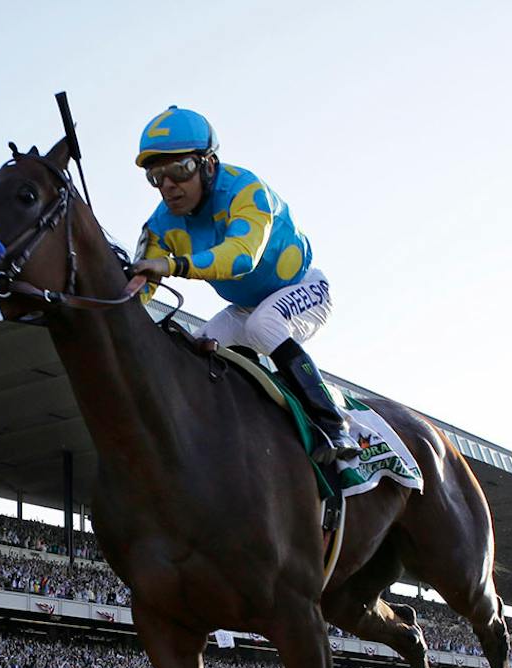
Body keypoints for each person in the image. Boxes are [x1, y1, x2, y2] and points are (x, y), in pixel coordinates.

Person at [128, 106, 361, 465]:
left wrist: (172, 265)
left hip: (303, 289)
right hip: (244, 308)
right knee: (194, 350)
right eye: (156, 177)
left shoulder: (246, 189)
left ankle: (332, 423)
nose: (168, 186)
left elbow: (241, 257)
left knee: (264, 325)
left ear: (208, 164)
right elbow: (139, 292)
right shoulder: (160, 225)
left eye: (179, 169)